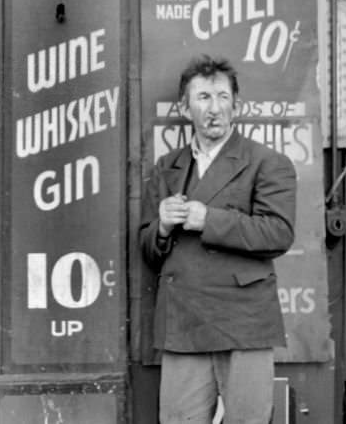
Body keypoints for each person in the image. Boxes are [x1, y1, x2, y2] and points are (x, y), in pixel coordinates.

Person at [140, 55, 296, 424]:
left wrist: (208, 219)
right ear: (185, 107)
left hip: (243, 322)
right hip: (184, 322)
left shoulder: (267, 162)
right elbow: (148, 250)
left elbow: (278, 233)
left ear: (236, 105)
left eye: (223, 98)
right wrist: (160, 228)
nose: (214, 109)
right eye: (204, 98)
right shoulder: (167, 166)